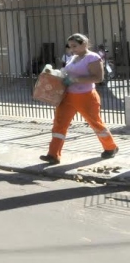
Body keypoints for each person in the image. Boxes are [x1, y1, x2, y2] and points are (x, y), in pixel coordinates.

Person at [39, 33, 118, 165]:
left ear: (85, 44)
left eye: (75, 46)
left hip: (86, 96)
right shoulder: (74, 58)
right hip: (67, 96)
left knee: (96, 123)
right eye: (70, 47)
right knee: (59, 124)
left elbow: (98, 78)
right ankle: (53, 155)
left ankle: (111, 148)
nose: (72, 49)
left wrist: (75, 80)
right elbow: (67, 73)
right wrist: (56, 74)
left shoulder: (93, 57)